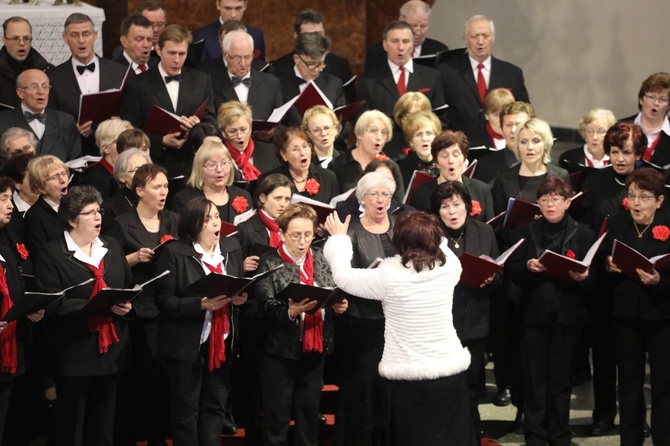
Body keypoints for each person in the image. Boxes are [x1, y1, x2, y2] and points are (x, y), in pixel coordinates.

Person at [323, 210, 476, 446]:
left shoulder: (388, 275)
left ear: (399, 241)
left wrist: (339, 239)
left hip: (408, 379)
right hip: (450, 374)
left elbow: (343, 277)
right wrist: (430, 232)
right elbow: (443, 247)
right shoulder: (451, 268)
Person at [34, 185, 133, 446]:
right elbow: (53, 303)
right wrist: (93, 305)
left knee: (104, 424)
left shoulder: (111, 246)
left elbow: (128, 286)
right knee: (71, 425)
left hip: (111, 351)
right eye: (89, 213)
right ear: (71, 220)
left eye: (98, 211)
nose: (97, 217)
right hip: (75, 351)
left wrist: (127, 306)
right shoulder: (52, 254)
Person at [505, 176, 596, 446]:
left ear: (568, 202)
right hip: (533, 316)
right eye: (544, 199)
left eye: (556, 198)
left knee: (560, 382)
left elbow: (594, 282)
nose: (549, 203)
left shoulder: (584, 234)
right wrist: (528, 267)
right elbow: (513, 271)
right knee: (535, 380)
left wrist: (584, 278)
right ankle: (535, 435)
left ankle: (559, 435)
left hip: (567, 317)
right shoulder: (524, 232)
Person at [155, 196, 246, 446]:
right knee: (187, 407)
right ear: (194, 225)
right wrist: (199, 304)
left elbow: (236, 286)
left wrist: (240, 299)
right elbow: (165, 301)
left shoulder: (231, 248)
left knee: (215, 405)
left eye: (217, 216)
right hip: (186, 344)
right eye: (208, 219)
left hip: (222, 341)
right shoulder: (175, 252)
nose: (216, 223)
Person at [254, 202, 347, 446]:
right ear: (282, 234)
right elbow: (264, 307)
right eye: (296, 235)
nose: (302, 241)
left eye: (307, 234)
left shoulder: (322, 259)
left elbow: (333, 291)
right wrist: (290, 311)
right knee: (277, 415)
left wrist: (339, 307)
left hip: (315, 349)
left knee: (308, 414)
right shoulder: (269, 262)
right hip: (280, 351)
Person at [579, 122, 647, 438]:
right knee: (604, 353)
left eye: (628, 152)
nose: (621, 158)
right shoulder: (595, 182)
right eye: (615, 151)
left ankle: (635, 417)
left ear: (639, 153)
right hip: (604, 283)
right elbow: (588, 230)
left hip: (639, 282)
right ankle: (604, 414)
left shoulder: (652, 182)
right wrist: (602, 256)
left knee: (633, 358)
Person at [325, 171, 397, 446]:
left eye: (385, 195)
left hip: (396, 323)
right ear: (361, 199)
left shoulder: (400, 228)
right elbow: (338, 275)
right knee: (363, 392)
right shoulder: (350, 231)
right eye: (374, 194)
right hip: (362, 323)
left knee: (391, 391)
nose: (380, 200)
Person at [109, 163, 178, 444]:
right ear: (139, 190)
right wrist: (134, 258)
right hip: (142, 310)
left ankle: (162, 433)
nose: (163, 192)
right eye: (156, 187)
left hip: (172, 306)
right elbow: (110, 265)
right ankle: (144, 434)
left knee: (168, 379)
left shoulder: (174, 220)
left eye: (165, 186)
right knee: (146, 378)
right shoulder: (122, 223)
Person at [601, 167, 670, 446]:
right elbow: (601, 259)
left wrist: (659, 280)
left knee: (664, 385)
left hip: (662, 314)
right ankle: (630, 440)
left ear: (659, 200)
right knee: (628, 383)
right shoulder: (617, 223)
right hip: (625, 314)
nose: (637, 203)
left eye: (644, 197)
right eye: (632, 196)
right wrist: (608, 264)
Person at [429, 180, 501, 440]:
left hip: (475, 321)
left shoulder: (485, 232)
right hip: (442, 323)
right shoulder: (430, 236)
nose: (451, 211)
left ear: (468, 206)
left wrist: (492, 278)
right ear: (437, 212)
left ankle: (470, 435)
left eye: (456, 204)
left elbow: (499, 276)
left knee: (471, 386)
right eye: (445, 206)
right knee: (444, 388)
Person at [120, 24, 217, 177]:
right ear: (158, 49)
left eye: (182, 54)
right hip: (154, 166)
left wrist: (198, 128)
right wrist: (161, 141)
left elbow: (212, 122)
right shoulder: (138, 84)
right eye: (171, 53)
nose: (177, 60)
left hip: (195, 167)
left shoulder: (202, 80)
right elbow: (129, 132)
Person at [439, 15, 530, 149]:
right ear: (464, 39)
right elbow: (441, 114)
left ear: (493, 37)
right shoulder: (446, 72)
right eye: (474, 36)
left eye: (485, 36)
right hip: (459, 147)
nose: (480, 41)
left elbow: (525, 112)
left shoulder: (512, 73)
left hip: (502, 147)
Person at [0, 177, 45, 444]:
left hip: (8, 351)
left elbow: (15, 292)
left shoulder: (5, 246)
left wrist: (30, 310)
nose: (10, 205)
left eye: (9, 198)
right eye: (3, 199)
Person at [47, 13, 128, 156]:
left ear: (95, 35)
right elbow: (51, 119)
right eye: (74, 35)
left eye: (86, 34)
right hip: (73, 152)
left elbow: (130, 110)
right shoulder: (54, 77)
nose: (81, 40)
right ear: (65, 38)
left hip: (114, 152)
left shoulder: (119, 71)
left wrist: (118, 122)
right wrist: (73, 128)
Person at [358, 21, 446, 125]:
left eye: (405, 41)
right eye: (395, 41)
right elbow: (362, 121)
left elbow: (442, 118)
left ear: (412, 45)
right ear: (385, 45)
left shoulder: (432, 76)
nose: (400, 47)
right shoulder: (369, 80)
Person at [268, 9, 355, 102]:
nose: (315, 40)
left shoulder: (335, 78)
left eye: (319, 34)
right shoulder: (277, 73)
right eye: (310, 64)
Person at [0, 69, 81, 167]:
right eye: (34, 86)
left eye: (45, 86)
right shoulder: (2, 121)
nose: (41, 91)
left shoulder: (65, 120)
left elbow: (78, 161)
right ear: (20, 92)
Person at [196, 30, 282, 120]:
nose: (243, 63)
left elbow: (283, 123)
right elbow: (208, 120)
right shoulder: (210, 84)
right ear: (225, 55)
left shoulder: (271, 83)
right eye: (237, 58)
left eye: (247, 57)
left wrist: (272, 132)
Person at [411, 130, 494, 223]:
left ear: (464, 159)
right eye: (444, 155)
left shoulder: (482, 189)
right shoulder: (421, 194)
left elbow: (490, 229)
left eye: (456, 154)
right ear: (436, 162)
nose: (451, 160)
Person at [492, 118, 570, 216]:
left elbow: (567, 216)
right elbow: (499, 223)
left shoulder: (561, 175)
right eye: (524, 142)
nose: (529, 147)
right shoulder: (503, 180)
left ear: (545, 144)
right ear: (518, 146)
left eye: (536, 141)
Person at [171, 140, 252, 222]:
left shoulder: (244, 195)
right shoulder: (184, 200)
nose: (219, 169)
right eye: (212, 165)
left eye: (224, 163)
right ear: (200, 169)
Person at [277, 32, 346, 127]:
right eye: (310, 64)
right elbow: (277, 126)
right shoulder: (278, 84)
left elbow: (345, 124)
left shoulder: (334, 84)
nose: (316, 70)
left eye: (321, 64)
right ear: (296, 59)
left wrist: (332, 131)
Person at [258, 127, 339, 205]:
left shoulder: (328, 178)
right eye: (295, 149)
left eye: (305, 146)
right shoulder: (269, 179)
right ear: (284, 155)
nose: (302, 153)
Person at [364, 1, 449, 71]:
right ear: (401, 21)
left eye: (423, 26)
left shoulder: (440, 50)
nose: (418, 32)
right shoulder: (377, 52)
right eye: (413, 25)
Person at [329, 110, 396, 194]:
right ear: (359, 134)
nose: (379, 137)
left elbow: (398, 203)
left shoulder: (390, 166)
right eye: (373, 131)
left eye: (384, 132)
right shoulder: (337, 165)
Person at [472, 101, 536, 185]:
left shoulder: (546, 167)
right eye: (508, 125)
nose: (513, 130)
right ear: (501, 129)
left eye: (519, 125)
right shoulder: (484, 166)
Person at [217, 100, 280, 181]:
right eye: (233, 131)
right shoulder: (218, 156)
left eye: (243, 129)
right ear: (223, 133)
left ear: (250, 127)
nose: (239, 136)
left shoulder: (269, 151)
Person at [334, 159, 411, 222]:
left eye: (388, 180)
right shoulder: (343, 209)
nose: (382, 184)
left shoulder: (406, 212)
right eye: (377, 179)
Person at [0, 17, 54, 107]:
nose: (21, 43)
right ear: (4, 40)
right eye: (15, 38)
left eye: (26, 38)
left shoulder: (48, 71)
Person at [23, 155, 70, 257]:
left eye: (63, 173)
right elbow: (43, 256)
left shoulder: (77, 205)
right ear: (40, 187)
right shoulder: (35, 216)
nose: (63, 180)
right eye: (54, 177)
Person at [620, 72, 670, 166]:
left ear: (668, 105)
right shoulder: (620, 127)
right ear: (641, 99)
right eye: (651, 97)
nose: (656, 103)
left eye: (663, 99)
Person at [193, 0, 266, 64]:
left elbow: (260, 69)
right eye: (228, 8)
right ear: (218, 5)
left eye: (238, 8)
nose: (233, 15)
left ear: (245, 5)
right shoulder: (201, 36)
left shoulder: (256, 35)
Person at [80, 118, 133, 202]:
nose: (127, 146)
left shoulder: (132, 172)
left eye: (129, 142)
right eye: (121, 142)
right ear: (106, 148)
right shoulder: (94, 179)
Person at [102, 148, 152, 234]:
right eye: (136, 170)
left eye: (146, 170)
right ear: (122, 177)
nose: (143, 175)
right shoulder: (111, 208)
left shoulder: (156, 198)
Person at [396, 110, 440, 188]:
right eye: (419, 134)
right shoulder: (401, 168)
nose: (424, 138)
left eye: (429, 133)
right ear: (410, 142)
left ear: (436, 137)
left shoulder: (445, 163)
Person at [384, 91, 433, 161]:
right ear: (401, 118)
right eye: (408, 115)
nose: (412, 119)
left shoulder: (436, 139)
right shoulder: (390, 143)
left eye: (417, 115)